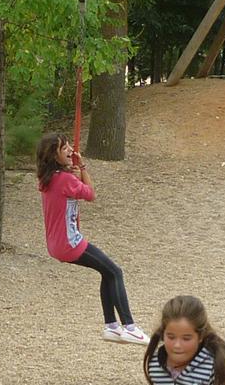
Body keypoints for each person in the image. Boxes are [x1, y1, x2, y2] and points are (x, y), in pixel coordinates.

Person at [36, 132, 149, 346]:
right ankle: (130, 327)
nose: (71, 150)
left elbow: (69, 190)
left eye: (69, 146)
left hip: (56, 244)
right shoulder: (65, 179)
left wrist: (73, 172)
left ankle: (111, 326)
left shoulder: (48, 179)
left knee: (107, 272)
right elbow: (90, 194)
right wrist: (83, 169)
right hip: (70, 243)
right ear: (53, 155)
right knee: (115, 272)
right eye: (64, 148)